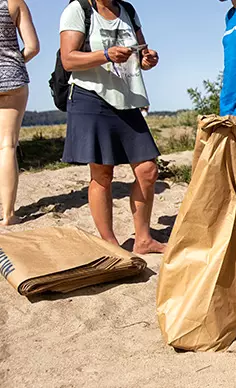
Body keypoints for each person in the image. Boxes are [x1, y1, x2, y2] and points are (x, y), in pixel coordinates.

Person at [60, 0, 165, 254]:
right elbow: (68, 59)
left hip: (126, 99)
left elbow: (140, 56)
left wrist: (147, 59)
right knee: (103, 173)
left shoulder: (127, 10)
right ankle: (110, 243)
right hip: (90, 97)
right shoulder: (78, 10)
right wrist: (105, 55)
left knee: (148, 170)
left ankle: (143, 239)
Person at [0, 0, 38, 226]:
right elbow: (33, 46)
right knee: (7, 145)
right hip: (13, 80)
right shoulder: (14, 3)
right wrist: (13, 63)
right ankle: (8, 214)